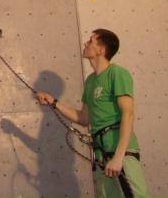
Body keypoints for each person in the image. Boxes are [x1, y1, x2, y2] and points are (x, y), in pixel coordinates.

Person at [35, 29, 152, 198]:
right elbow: (84, 118)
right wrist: (54, 102)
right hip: (101, 157)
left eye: (90, 41)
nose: (85, 43)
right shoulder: (90, 81)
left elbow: (128, 114)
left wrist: (119, 157)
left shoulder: (117, 73)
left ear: (100, 50)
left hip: (120, 154)